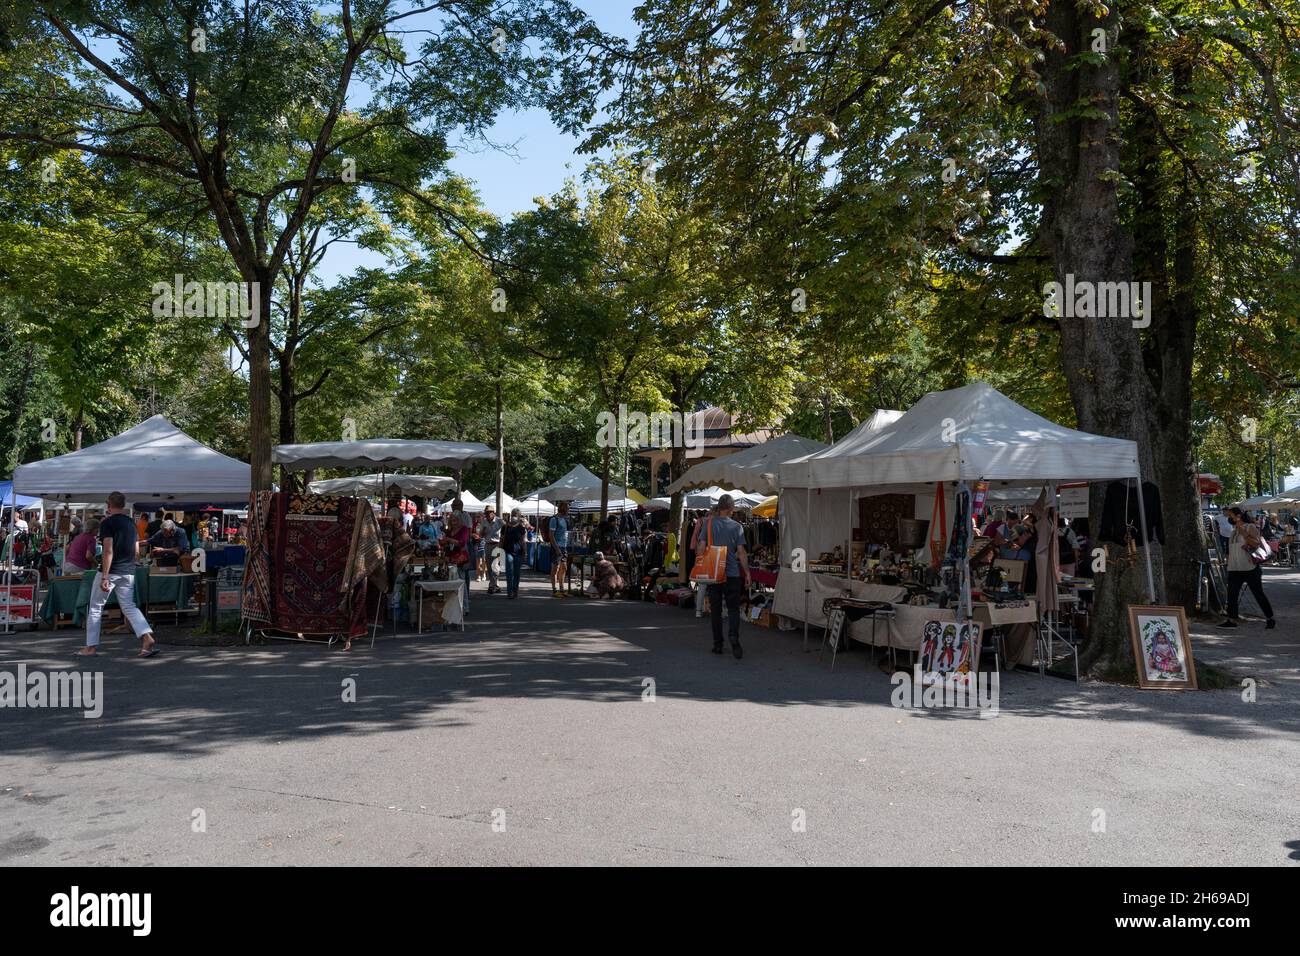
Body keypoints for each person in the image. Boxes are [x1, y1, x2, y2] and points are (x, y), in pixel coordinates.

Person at [83, 491, 157, 658]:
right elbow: (136, 549)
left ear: (108, 504)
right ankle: (146, 637)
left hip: (112, 570)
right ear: (123, 505)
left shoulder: (107, 523)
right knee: (129, 606)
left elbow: (108, 550)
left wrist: (104, 576)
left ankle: (91, 647)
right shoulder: (131, 522)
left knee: (95, 608)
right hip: (128, 570)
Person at [697, 494, 752, 659]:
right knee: (734, 609)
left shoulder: (708, 524)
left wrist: (701, 564)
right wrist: (747, 572)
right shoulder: (737, 527)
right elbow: (741, 552)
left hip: (714, 574)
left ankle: (718, 644)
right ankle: (734, 637)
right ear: (730, 508)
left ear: (719, 507)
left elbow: (701, 547)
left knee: (716, 611)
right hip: (732, 574)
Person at [1219, 507, 1276, 629]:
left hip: (1250, 568)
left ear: (1238, 516)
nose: (1229, 518)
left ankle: (1270, 618)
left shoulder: (1250, 527)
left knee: (1258, 593)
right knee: (1232, 594)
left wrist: (1244, 533)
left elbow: (1256, 543)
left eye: (1231, 515)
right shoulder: (1233, 530)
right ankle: (1231, 619)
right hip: (1234, 568)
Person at [441, 512, 473, 616]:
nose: (453, 521)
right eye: (452, 519)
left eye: (456, 519)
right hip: (450, 560)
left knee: (461, 584)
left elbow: (462, 542)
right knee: (451, 585)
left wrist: (449, 540)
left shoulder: (464, 529)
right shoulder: (449, 530)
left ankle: (465, 608)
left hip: (460, 559)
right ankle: (454, 608)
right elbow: (446, 545)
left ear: (460, 520)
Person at [547, 502, 574, 597]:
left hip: (564, 547)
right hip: (556, 547)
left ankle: (562, 589)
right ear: (563, 509)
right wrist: (557, 548)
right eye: (568, 509)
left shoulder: (565, 519)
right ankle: (554, 590)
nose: (569, 510)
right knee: (555, 568)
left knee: (564, 567)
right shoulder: (554, 519)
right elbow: (551, 535)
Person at [502, 510, 529, 599]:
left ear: (519, 516)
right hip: (508, 552)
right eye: (513, 514)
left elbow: (523, 541)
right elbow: (502, 539)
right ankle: (510, 592)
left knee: (516, 573)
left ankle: (515, 591)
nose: (514, 516)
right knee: (509, 573)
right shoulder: (505, 527)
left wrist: (524, 552)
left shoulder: (521, 528)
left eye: (516, 515)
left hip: (518, 553)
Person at [480, 505, 504, 594]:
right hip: (487, 545)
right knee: (490, 566)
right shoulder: (484, 522)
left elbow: (505, 530)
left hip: (497, 545)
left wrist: (502, 543)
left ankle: (492, 586)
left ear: (493, 513)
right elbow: (481, 535)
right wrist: (483, 531)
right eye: (486, 513)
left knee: (495, 566)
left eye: (489, 512)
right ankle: (495, 585)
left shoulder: (499, 521)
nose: (488, 514)